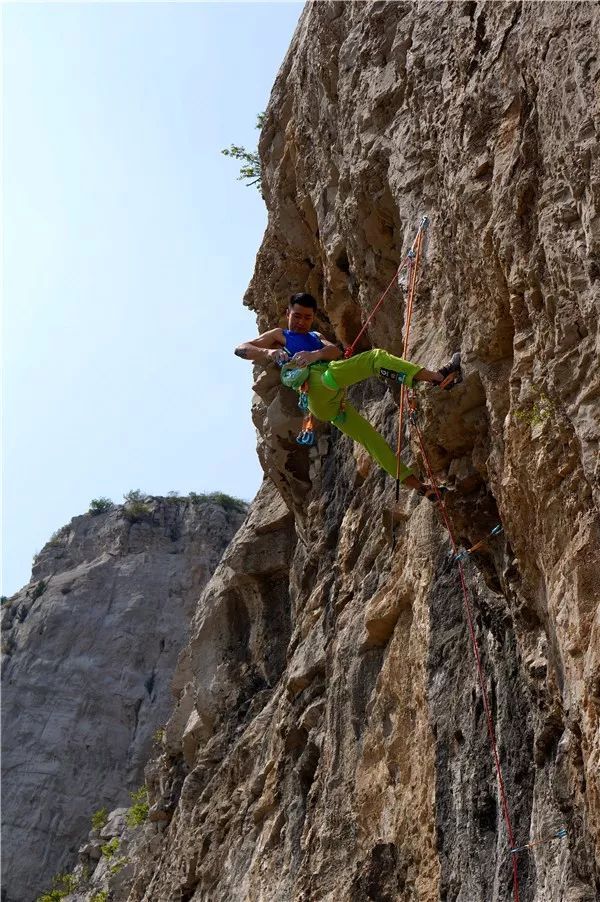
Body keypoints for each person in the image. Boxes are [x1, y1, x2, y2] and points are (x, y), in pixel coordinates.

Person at [235, 292, 461, 500]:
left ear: (313, 318)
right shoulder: (279, 335)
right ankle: (438, 378)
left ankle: (421, 487)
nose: (301, 322)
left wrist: (315, 354)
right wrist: (269, 351)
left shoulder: (315, 336)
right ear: (287, 313)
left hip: (333, 405)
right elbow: (241, 348)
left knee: (371, 439)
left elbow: (336, 351)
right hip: (317, 389)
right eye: (296, 316)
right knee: (373, 358)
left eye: (307, 317)